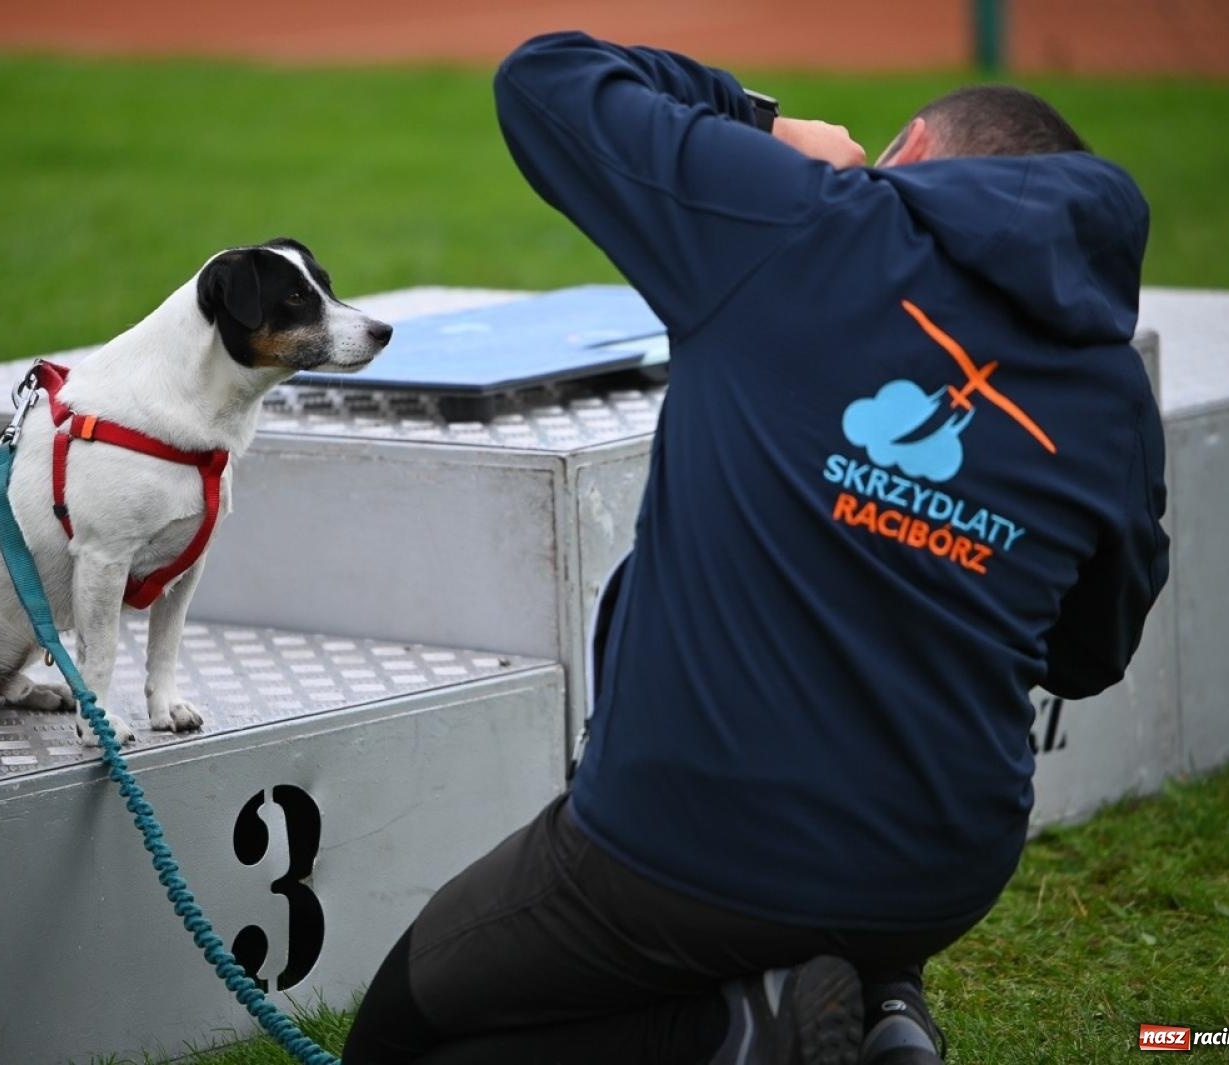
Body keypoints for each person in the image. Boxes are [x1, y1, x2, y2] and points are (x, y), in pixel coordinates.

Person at [342, 30, 1169, 1065]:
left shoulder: (801, 225)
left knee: (396, 1040)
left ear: (907, 152)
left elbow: (543, 79)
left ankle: (738, 1033)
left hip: (686, 845)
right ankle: (877, 991)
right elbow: (1088, 654)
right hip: (940, 872)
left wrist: (769, 125)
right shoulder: (1108, 391)